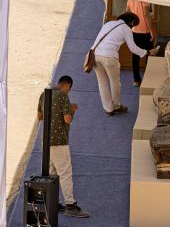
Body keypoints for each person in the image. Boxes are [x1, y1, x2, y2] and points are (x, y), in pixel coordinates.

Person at [37, 76, 89, 218]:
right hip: (59, 141)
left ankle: (51, 201)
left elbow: (40, 117)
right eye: (69, 88)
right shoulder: (62, 96)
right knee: (65, 172)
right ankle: (70, 205)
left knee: (51, 172)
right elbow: (67, 119)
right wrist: (72, 110)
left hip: (46, 140)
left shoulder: (44, 94)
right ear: (67, 85)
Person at [93, 12, 159, 116]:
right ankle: (116, 106)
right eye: (134, 25)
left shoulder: (108, 23)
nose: (133, 27)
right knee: (115, 83)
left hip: (95, 55)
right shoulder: (126, 28)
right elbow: (133, 48)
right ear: (132, 22)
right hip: (110, 56)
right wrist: (148, 52)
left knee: (102, 83)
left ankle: (108, 109)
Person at [126, 0, 154, 87]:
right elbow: (146, 15)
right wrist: (151, 30)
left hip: (134, 30)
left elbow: (127, 12)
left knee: (135, 57)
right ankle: (148, 80)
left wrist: (131, 25)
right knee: (149, 56)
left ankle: (137, 80)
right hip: (144, 32)